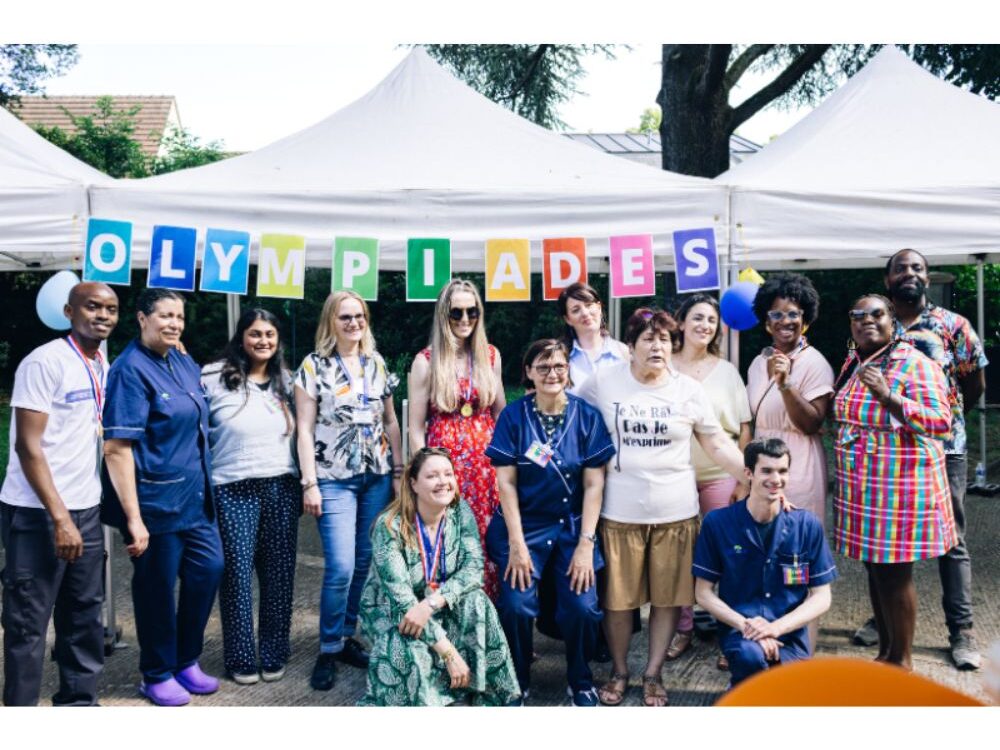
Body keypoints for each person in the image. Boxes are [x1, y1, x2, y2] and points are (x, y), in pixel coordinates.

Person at [576, 307, 749, 707]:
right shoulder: (605, 381)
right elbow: (573, 414)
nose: (658, 346)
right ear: (631, 346)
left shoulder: (688, 389)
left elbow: (716, 442)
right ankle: (620, 670)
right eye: (648, 339)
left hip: (675, 513)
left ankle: (653, 672)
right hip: (619, 514)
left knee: (669, 599)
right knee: (618, 601)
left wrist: (751, 476)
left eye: (665, 340)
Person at [852, 249, 988, 670]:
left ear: (927, 278)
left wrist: (942, 423)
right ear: (888, 278)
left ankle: (961, 631)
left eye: (917, 268)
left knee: (952, 542)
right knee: (889, 546)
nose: (909, 274)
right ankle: (889, 622)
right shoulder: (872, 323)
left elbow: (974, 383)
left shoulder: (953, 326)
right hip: (888, 459)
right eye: (900, 268)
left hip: (943, 450)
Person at [102, 288, 224, 707]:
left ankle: (185, 660)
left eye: (179, 317)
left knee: (209, 571)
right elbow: (117, 448)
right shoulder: (129, 370)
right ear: (141, 318)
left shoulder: (182, 360)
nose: (173, 323)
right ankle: (155, 673)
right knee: (156, 590)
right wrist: (133, 519)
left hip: (196, 500)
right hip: (156, 505)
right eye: (165, 316)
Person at [0, 282, 118, 706]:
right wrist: (60, 518)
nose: (102, 315)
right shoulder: (44, 362)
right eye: (92, 306)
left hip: (85, 511)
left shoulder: (103, 361)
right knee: (28, 624)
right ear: (70, 311)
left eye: (110, 308)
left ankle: (78, 703)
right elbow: (27, 448)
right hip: (37, 514)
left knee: (84, 616)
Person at [485, 339, 616, 706]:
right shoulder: (513, 416)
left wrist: (587, 545)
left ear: (568, 371)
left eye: (559, 366)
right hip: (523, 527)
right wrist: (516, 543)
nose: (552, 374)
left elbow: (594, 484)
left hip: (574, 529)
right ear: (528, 372)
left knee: (583, 607)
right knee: (515, 604)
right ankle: (517, 677)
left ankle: (580, 677)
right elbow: (506, 482)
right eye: (542, 367)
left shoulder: (587, 416)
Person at [832, 294, 957, 670]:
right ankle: (885, 653)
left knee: (894, 573)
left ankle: (901, 662)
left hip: (898, 489)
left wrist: (889, 397)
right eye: (858, 315)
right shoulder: (855, 362)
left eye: (877, 314)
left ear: (892, 321)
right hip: (864, 489)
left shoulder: (914, 363)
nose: (866, 320)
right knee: (875, 568)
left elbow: (941, 422)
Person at [295, 290, 403, 691]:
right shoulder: (313, 366)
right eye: (345, 317)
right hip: (332, 479)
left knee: (363, 562)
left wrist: (398, 469)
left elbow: (391, 422)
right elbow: (304, 429)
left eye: (359, 316)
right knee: (339, 566)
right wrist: (310, 482)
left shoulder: (377, 364)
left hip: (375, 477)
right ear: (331, 321)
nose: (354, 323)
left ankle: (345, 636)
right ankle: (327, 646)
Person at [358, 447, 520, 706]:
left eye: (448, 474)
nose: (443, 481)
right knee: (405, 643)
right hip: (394, 610)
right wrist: (449, 654)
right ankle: (433, 690)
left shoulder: (460, 511)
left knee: (478, 601)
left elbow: (473, 568)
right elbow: (402, 601)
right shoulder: (389, 526)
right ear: (413, 483)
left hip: (435, 601)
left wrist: (434, 602)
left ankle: (488, 690)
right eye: (432, 476)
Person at [201, 308, 299, 685]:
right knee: (237, 576)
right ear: (242, 337)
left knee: (278, 577)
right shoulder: (213, 376)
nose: (263, 341)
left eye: (270, 335)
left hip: (281, 486)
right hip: (232, 487)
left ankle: (274, 653)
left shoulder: (286, 382)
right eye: (256, 334)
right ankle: (241, 657)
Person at [693, 438, 837, 687]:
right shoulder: (718, 523)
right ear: (748, 473)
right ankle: (742, 688)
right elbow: (703, 594)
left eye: (782, 471)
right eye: (767, 471)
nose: (776, 479)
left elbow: (822, 597)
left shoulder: (807, 526)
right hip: (741, 633)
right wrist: (748, 627)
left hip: (789, 635)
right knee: (750, 658)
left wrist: (776, 628)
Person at [668, 293, 752, 665]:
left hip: (720, 476)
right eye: (698, 318)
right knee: (680, 556)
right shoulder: (664, 366)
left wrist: (743, 480)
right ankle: (683, 628)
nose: (705, 326)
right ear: (681, 322)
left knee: (726, 556)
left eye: (712, 321)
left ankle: (729, 633)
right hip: (673, 477)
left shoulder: (728, 370)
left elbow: (744, 429)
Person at [408, 279, 505, 598]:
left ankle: (490, 631)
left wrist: (510, 468)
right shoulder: (426, 360)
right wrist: (423, 478)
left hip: (485, 470)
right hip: (445, 470)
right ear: (443, 315)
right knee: (451, 545)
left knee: (489, 546)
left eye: (472, 311)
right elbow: (416, 427)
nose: (465, 319)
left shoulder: (490, 356)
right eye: (456, 312)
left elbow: (501, 415)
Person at [747, 272, 834, 518]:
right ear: (766, 320)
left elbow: (811, 423)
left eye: (793, 313)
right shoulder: (757, 363)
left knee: (796, 541)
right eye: (776, 314)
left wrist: (786, 385)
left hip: (798, 467)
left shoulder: (814, 363)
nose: (785, 321)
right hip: (763, 465)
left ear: (804, 318)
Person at [557, 281, 629, 395]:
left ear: (599, 308)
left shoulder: (623, 353)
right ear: (567, 319)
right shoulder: (559, 356)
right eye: (576, 310)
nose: (585, 313)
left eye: (589, 305)